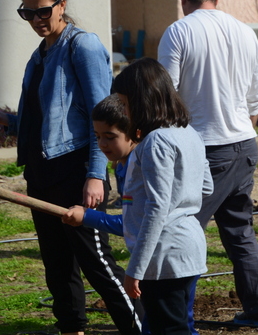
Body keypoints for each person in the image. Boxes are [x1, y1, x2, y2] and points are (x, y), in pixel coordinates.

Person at [0, 0, 142, 335]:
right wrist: (4, 119)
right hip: (42, 172)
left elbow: (104, 115)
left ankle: (142, 327)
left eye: (43, 10)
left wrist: (95, 175)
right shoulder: (41, 54)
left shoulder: (82, 46)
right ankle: (72, 329)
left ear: (61, 4)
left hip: (75, 171)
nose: (36, 19)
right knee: (57, 264)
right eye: (27, 12)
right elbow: (48, 118)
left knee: (95, 261)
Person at [157, 0, 258, 328]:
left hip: (206, 149)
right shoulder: (244, 32)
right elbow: (256, 98)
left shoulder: (178, 33)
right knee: (240, 231)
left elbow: (165, 95)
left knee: (180, 231)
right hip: (243, 143)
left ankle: (175, 316)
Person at [62, 94, 202, 334]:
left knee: (172, 327)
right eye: (97, 137)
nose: (102, 144)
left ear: (135, 133)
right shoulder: (125, 165)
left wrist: (88, 217)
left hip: (166, 259)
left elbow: (141, 220)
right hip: (174, 256)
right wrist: (86, 217)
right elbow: (134, 223)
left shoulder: (140, 164)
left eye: (110, 136)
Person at [101, 58, 210, 335]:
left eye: (125, 104)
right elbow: (205, 186)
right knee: (174, 326)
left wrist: (135, 269)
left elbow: (157, 207)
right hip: (189, 248)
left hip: (165, 256)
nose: (124, 111)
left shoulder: (155, 142)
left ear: (141, 102)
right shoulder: (189, 132)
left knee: (169, 330)